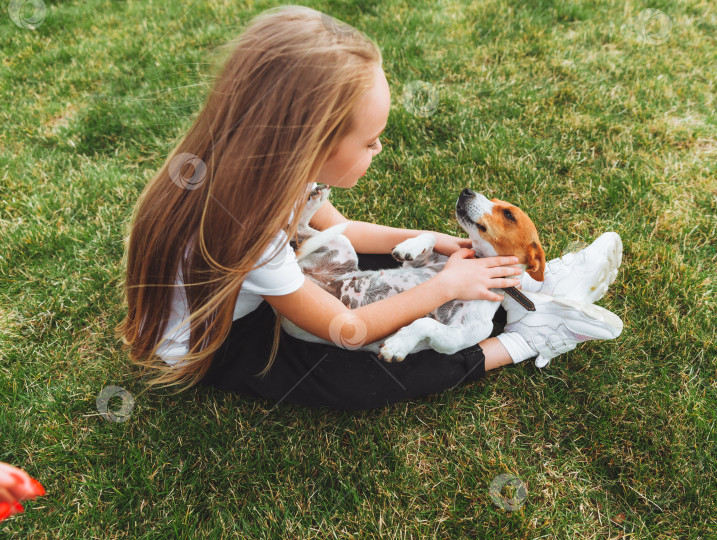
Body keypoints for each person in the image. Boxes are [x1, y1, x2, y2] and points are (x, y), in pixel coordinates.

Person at [115, 5, 623, 412]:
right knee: (361, 379)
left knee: (399, 262)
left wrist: (444, 246)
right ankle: (525, 339)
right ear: (310, 143)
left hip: (242, 297)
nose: (379, 150)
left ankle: (529, 286)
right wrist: (445, 286)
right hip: (222, 344)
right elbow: (345, 328)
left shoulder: (256, 169)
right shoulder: (248, 230)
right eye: (371, 140)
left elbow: (345, 230)